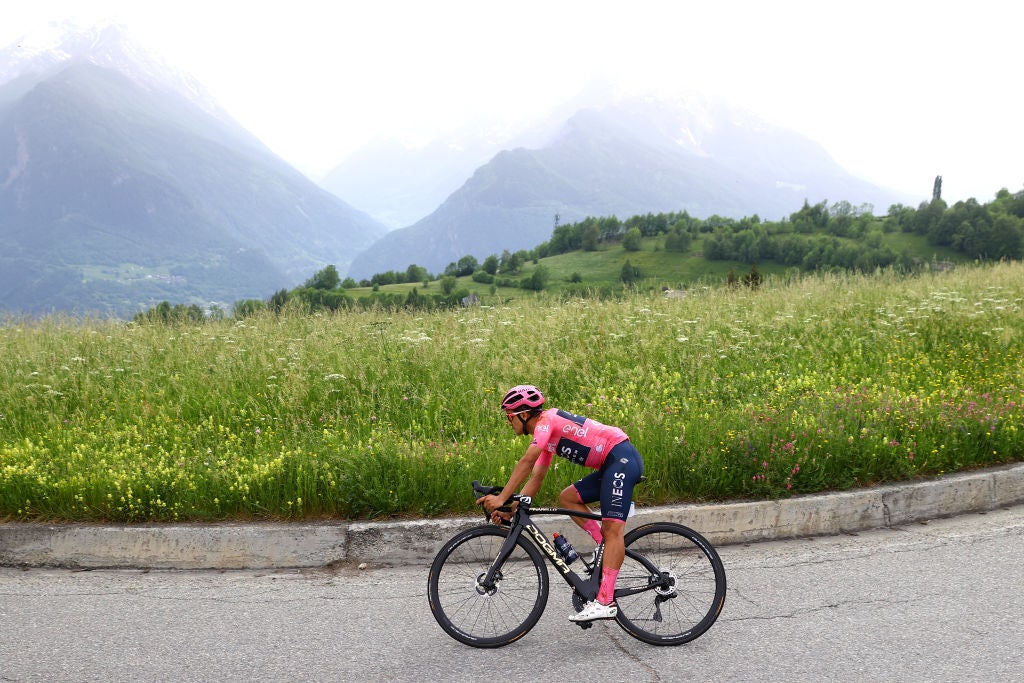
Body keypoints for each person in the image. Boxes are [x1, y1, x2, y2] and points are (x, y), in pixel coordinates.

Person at [477, 384, 644, 622]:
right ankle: (603, 545)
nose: (508, 422)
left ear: (524, 415)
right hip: (612, 464)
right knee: (568, 498)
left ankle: (605, 601)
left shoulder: (547, 420)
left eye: (510, 417)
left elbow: (527, 461)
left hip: (622, 460)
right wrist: (511, 510)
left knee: (613, 529)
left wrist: (502, 497)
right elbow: (537, 476)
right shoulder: (546, 435)